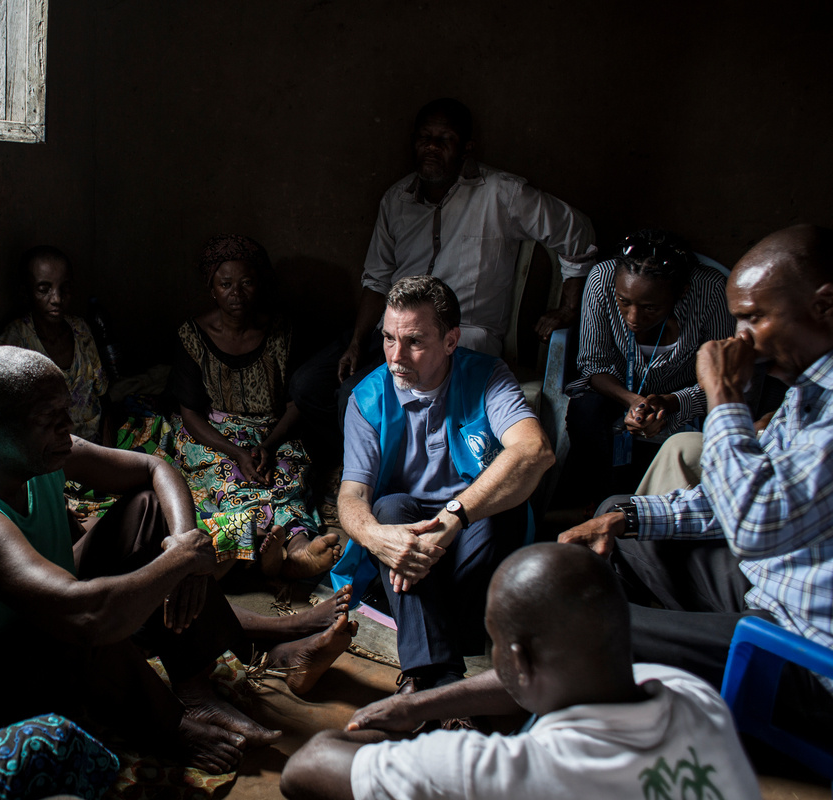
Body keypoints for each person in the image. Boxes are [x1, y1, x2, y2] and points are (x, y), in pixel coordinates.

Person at [0, 346, 358, 771]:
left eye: (66, 415)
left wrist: (181, 544)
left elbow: (156, 467)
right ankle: (173, 724)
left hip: (31, 620)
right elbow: (84, 615)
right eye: (50, 420)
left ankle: (196, 682)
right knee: (92, 613)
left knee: (149, 514)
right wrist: (179, 563)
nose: (67, 430)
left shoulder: (31, 453)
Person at [559, 223, 833, 740]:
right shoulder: (807, 387)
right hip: (772, 592)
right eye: (739, 319)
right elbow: (726, 501)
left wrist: (725, 396)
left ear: (824, 305)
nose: (743, 337)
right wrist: (627, 518)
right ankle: (647, 680)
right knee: (620, 517)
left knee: (580, 628)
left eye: (756, 317)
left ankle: (626, 723)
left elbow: (752, 527)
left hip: (808, 652)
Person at [279, 543, 760, 800]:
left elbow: (305, 769)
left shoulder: (504, 771)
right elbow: (532, 684)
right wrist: (417, 703)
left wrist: (409, 753)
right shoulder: (693, 695)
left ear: (520, 660)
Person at [291, 98, 596, 451]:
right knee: (307, 385)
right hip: (391, 331)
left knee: (354, 394)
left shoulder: (502, 193)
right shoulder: (397, 199)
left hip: (458, 337)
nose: (432, 147)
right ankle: (360, 463)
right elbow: (377, 280)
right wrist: (358, 342)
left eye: (445, 139)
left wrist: (569, 307)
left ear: (466, 147)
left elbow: (578, 234)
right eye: (424, 137)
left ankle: (371, 480)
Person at [334, 276, 554, 691]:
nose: (396, 357)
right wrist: (377, 538)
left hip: (471, 530)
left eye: (414, 341)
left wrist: (455, 516)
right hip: (412, 538)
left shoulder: (486, 376)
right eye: (388, 339)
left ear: (451, 340)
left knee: (498, 506)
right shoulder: (366, 397)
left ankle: (424, 655)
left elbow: (535, 450)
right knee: (390, 508)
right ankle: (440, 675)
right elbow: (352, 494)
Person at [169, 234, 341, 579]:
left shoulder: (282, 332)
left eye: (246, 282)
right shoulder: (192, 335)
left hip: (273, 430)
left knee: (284, 478)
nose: (237, 293)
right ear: (212, 288)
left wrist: (268, 444)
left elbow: (296, 404)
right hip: (216, 434)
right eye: (226, 284)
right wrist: (236, 452)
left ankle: (298, 548)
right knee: (230, 481)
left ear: (259, 284)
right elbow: (190, 414)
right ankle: (260, 543)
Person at [560, 229, 734, 505]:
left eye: (650, 308)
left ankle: (655, 510)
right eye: (624, 302)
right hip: (616, 391)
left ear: (681, 293)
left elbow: (722, 378)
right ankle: (594, 504)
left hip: (683, 396)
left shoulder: (710, 290)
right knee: (586, 412)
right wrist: (636, 402)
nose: (633, 318)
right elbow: (594, 364)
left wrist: (671, 403)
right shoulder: (603, 278)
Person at [1, 246, 112, 445]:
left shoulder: (80, 330)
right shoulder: (15, 340)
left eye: (65, 288)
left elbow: (103, 398)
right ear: (26, 291)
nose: (57, 299)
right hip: (50, 453)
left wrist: (108, 453)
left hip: (95, 446)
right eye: (44, 290)